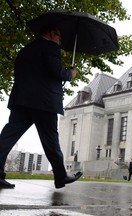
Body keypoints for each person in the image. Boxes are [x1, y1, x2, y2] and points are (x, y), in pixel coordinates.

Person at [0, 25, 82, 189]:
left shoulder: (26, 49)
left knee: (7, 137)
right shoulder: (51, 48)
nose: (60, 41)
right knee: (51, 140)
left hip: (22, 100)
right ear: (52, 32)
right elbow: (57, 72)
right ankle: (60, 177)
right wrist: (70, 74)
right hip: (44, 102)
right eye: (59, 37)